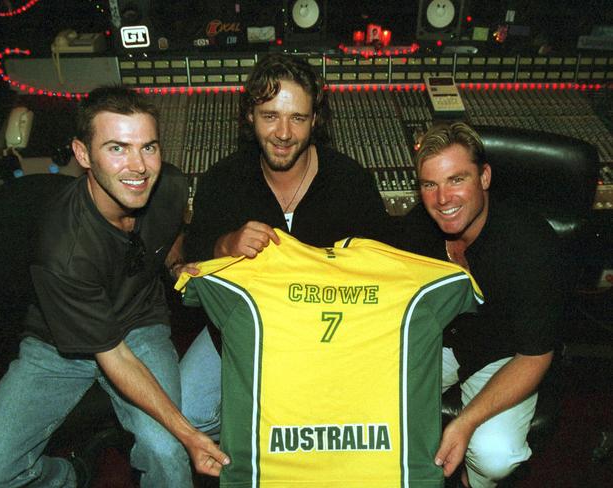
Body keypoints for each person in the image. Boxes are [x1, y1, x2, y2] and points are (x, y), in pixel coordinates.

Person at [0, 86, 229, 487]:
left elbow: (171, 229)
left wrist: (175, 262)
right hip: (58, 344)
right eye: (117, 148)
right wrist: (191, 434)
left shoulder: (169, 185)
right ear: (83, 154)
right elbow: (115, 357)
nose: (138, 166)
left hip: (140, 325)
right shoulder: (62, 247)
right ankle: (72, 475)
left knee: (166, 454)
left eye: (148, 147)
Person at [175, 53, 391, 438]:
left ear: (316, 120)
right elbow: (192, 261)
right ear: (249, 117)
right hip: (240, 332)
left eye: (298, 118)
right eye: (270, 115)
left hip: (330, 338)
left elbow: (382, 271)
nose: (284, 133)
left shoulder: (351, 182)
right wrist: (225, 244)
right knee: (188, 411)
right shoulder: (221, 181)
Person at [389, 122, 561, 488]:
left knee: (494, 456)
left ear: (483, 177)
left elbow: (535, 355)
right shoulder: (416, 228)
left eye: (456, 180)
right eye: (429, 185)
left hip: (507, 354)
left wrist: (464, 423)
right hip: (443, 340)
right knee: (367, 400)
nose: (442, 199)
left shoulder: (531, 245)